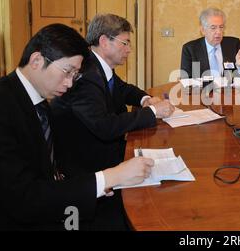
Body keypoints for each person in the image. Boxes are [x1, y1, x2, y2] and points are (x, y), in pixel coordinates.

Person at [0, 24, 155, 230]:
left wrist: (100, 182)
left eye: (75, 75)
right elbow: (24, 199)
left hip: (61, 194)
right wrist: (108, 177)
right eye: (67, 72)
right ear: (36, 60)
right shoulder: (5, 104)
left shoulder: (37, 99)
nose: (70, 83)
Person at [50, 14, 174, 230]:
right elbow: (105, 127)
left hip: (98, 149)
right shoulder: (85, 74)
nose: (129, 49)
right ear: (105, 41)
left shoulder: (96, 65)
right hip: (84, 164)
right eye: (125, 43)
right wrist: (153, 111)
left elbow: (122, 88)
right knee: (157, 193)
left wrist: (145, 99)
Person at [180, 8, 240, 80]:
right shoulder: (190, 49)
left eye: (221, 27)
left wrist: (239, 67)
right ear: (203, 30)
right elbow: (186, 80)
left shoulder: (234, 44)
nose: (218, 32)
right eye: (213, 28)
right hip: (203, 91)